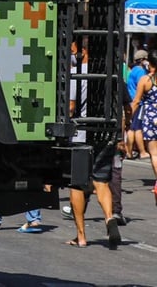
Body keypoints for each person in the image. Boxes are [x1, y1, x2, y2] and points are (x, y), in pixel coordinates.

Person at [66, 48, 121, 248]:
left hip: (80, 134)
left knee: (77, 184)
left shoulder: (76, 74)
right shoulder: (111, 75)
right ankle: (109, 218)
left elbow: (71, 107)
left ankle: (81, 236)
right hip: (104, 132)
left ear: (83, 51)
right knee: (101, 182)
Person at [130, 53, 157, 205]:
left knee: (154, 153)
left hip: (151, 117)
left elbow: (136, 101)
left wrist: (128, 119)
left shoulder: (146, 80)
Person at [127, 49, 150, 159]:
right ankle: (142, 151)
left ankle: (129, 151)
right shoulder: (141, 71)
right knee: (137, 128)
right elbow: (143, 86)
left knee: (132, 127)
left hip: (131, 100)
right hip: (138, 102)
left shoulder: (133, 70)